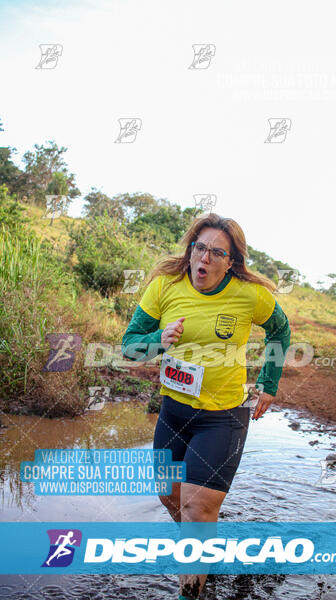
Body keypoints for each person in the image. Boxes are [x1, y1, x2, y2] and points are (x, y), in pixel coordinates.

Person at [122, 213, 291, 599]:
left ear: (231, 261)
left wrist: (269, 381)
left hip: (223, 418)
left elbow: (280, 330)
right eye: (200, 248)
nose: (205, 259)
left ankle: (190, 590)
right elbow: (129, 345)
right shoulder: (165, 286)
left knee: (197, 508)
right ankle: (200, 556)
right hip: (174, 412)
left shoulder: (251, 295)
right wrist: (158, 338)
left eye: (217, 253)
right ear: (190, 249)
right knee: (171, 497)